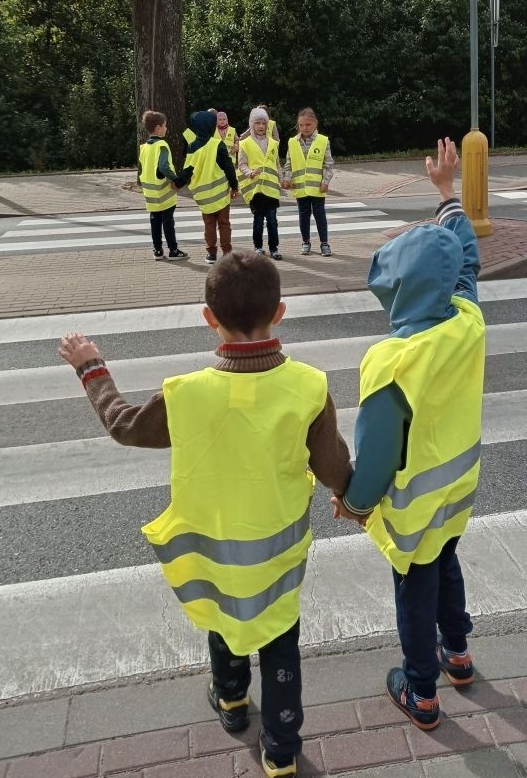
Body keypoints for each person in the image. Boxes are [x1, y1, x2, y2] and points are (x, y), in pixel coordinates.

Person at [57, 250, 353, 778]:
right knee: (280, 637)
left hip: (212, 548)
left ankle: (233, 701)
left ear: (208, 317)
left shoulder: (187, 394)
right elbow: (332, 461)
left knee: (223, 617)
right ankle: (282, 751)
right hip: (279, 551)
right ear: (280, 313)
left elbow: (123, 424)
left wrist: (90, 367)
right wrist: (350, 498)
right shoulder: (308, 385)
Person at [332, 138, 485, 732]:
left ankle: (421, 688)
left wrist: (355, 503)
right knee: (447, 562)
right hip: (458, 490)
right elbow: (467, 260)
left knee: (414, 585)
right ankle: (460, 654)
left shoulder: (391, 362)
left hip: (414, 506)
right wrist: (448, 195)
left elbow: (375, 457)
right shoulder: (467, 319)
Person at [184, 110, 240, 264]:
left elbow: (188, 170)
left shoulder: (191, 147)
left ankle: (211, 254)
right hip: (220, 193)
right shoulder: (217, 144)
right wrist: (234, 187)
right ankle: (227, 252)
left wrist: (178, 182)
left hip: (203, 196)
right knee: (224, 224)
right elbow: (228, 167)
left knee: (209, 225)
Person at [138, 110, 191, 260]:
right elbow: (163, 167)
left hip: (150, 192)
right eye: (165, 126)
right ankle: (173, 250)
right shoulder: (162, 145)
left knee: (154, 220)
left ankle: (158, 250)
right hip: (164, 191)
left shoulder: (144, 147)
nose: (167, 129)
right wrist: (176, 179)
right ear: (159, 127)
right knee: (168, 221)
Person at [282, 107, 333, 257]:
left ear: (315, 124)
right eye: (301, 125)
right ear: (298, 125)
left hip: (317, 188)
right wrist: (286, 179)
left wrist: (326, 181)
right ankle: (305, 242)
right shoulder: (292, 142)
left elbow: (328, 164)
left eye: (308, 125)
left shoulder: (323, 141)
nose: (304, 128)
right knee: (303, 216)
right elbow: (289, 164)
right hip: (300, 188)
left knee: (320, 215)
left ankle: (324, 243)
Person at [238, 107, 283, 260]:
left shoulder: (273, 143)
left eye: (264, 123)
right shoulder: (245, 143)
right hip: (256, 190)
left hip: (271, 189)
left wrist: (282, 179)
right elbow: (241, 164)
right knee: (258, 220)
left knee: (272, 220)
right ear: (252, 124)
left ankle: (274, 248)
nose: (261, 126)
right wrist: (249, 172)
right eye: (257, 123)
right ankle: (258, 246)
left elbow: (277, 164)